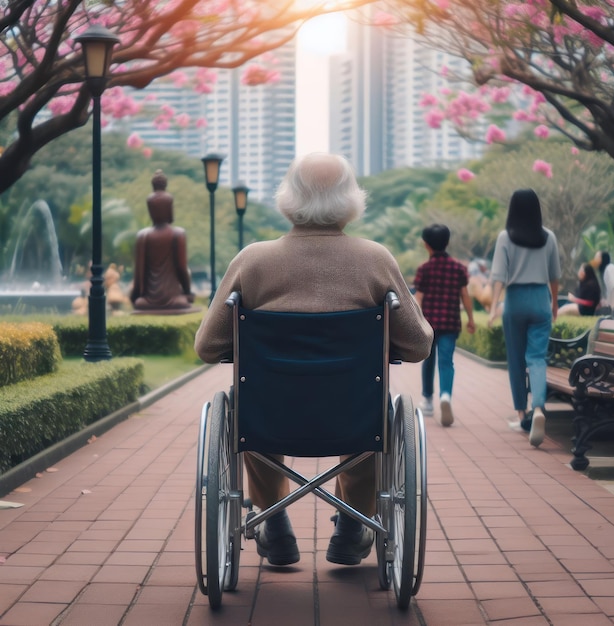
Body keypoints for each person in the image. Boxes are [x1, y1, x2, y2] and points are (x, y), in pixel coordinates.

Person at [194, 152, 433, 568]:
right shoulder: (376, 259)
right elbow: (417, 346)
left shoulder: (252, 261)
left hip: (271, 418)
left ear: (289, 198)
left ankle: (275, 521)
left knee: (247, 401)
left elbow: (207, 346)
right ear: (351, 199)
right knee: (371, 405)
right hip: (353, 418)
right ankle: (352, 524)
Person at [488, 189, 561, 448]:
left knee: (516, 360)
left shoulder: (506, 237)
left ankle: (522, 414)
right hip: (541, 299)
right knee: (537, 358)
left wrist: (493, 307)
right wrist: (553, 304)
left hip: (516, 300)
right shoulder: (549, 237)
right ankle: (539, 408)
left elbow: (498, 275)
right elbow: (555, 276)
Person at [413, 224, 475, 426]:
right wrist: (471, 319)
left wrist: (416, 320)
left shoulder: (424, 269)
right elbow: (465, 296)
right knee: (446, 361)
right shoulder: (458, 268)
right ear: (447, 242)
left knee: (428, 360)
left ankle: (428, 401)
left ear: (426, 245)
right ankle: (446, 395)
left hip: (428, 324)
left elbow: (418, 298)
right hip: (450, 322)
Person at [130, 170, 195, 311]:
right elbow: (182, 268)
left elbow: (138, 273)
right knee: (184, 301)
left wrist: (135, 296)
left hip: (147, 300)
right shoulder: (178, 234)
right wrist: (188, 291)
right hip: (174, 298)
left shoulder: (143, 235)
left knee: (140, 303)